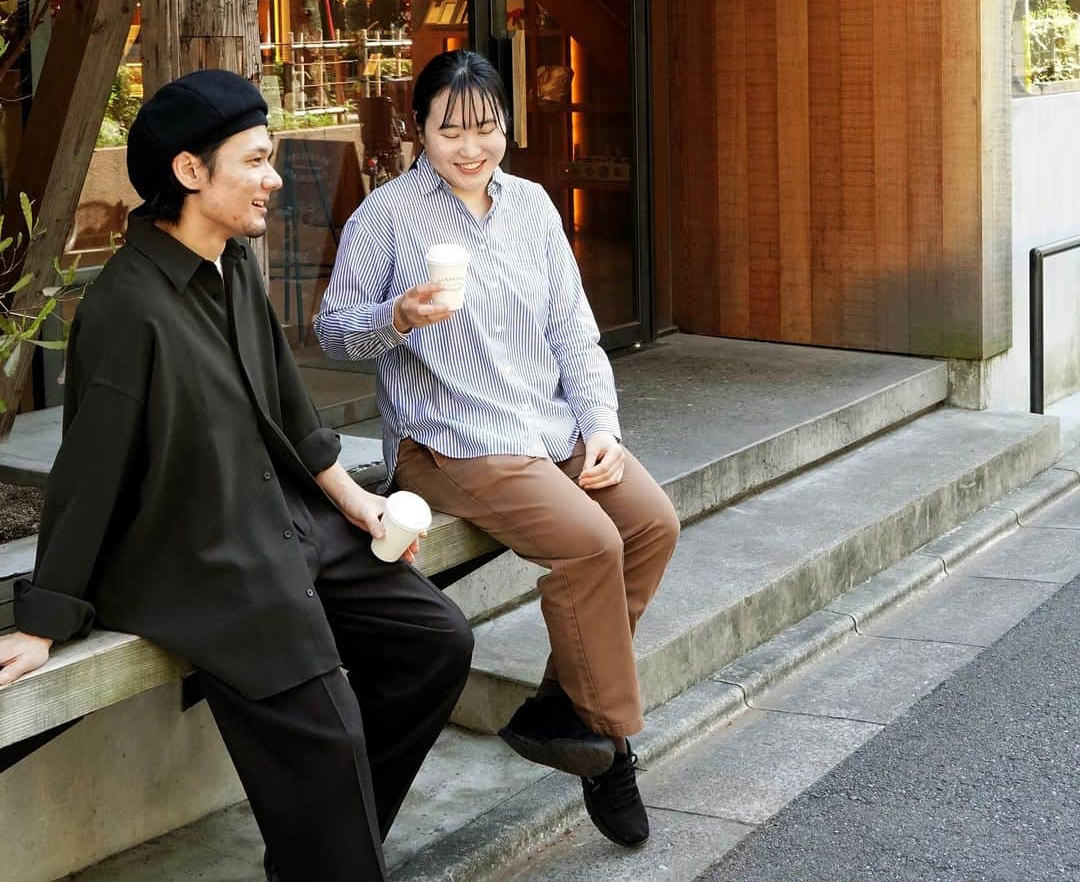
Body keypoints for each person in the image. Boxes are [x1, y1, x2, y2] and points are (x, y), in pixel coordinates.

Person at [0, 70, 472, 882]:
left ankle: (322, 852)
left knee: (437, 644)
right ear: (189, 172)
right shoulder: (125, 308)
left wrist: (357, 502)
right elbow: (88, 469)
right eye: (255, 160)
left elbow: (291, 409)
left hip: (289, 524)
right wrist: (43, 618)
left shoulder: (233, 267)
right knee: (332, 736)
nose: (273, 179)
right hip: (204, 560)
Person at [316, 50, 680, 849]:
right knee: (589, 544)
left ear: (506, 126)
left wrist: (602, 428)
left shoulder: (534, 207)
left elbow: (573, 332)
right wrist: (399, 316)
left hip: (545, 430)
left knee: (650, 522)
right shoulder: (387, 215)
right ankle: (611, 747)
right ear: (421, 130)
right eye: (452, 130)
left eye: (487, 127)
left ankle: (563, 708)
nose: (471, 146)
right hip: (450, 444)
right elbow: (334, 331)